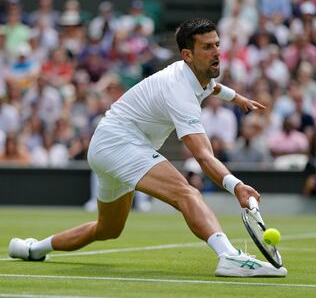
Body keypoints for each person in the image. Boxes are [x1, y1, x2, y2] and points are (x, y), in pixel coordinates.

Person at [8, 18, 287, 277]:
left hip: (107, 145)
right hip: (119, 142)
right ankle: (228, 256)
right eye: (206, 47)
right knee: (186, 193)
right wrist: (237, 186)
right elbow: (202, 156)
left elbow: (212, 87)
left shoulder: (196, 74)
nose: (216, 52)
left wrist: (236, 98)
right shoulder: (179, 91)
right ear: (187, 55)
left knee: (107, 229)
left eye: (217, 45)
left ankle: (32, 248)